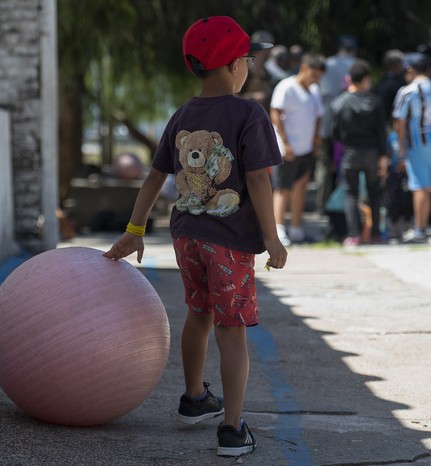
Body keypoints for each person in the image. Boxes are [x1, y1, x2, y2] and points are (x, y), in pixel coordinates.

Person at [102, 16, 287, 458]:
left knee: (198, 313)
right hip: (229, 242)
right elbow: (259, 181)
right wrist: (273, 238)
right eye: (248, 59)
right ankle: (231, 429)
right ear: (231, 65)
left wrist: (135, 229)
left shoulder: (183, 114)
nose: (250, 67)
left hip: (187, 237)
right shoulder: (249, 113)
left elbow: (154, 177)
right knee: (232, 328)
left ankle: (193, 399)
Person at [392, 52, 431, 243]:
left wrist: (401, 145)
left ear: (410, 69)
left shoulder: (407, 92)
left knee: (419, 186)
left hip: (417, 144)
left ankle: (420, 229)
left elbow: (399, 122)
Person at [329, 58, 389, 246]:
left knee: (351, 194)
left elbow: (335, 133)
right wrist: (384, 156)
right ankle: (377, 234)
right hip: (372, 153)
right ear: (365, 79)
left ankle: (353, 234)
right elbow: (382, 131)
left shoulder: (339, 103)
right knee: (375, 193)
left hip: (351, 152)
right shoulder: (375, 102)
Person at [270, 53, 326, 244]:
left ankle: (296, 229)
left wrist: (316, 140)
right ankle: (278, 229)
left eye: (319, 76)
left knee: (300, 186)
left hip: (306, 148)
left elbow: (318, 115)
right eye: (314, 74)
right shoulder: (286, 87)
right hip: (286, 148)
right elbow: (275, 113)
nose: (315, 79)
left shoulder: (314, 90)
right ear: (304, 68)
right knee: (282, 188)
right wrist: (285, 143)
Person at [317, 35, 358, 214]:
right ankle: (346, 209)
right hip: (349, 127)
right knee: (348, 166)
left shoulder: (327, 64)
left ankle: (322, 207)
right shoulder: (356, 65)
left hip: (325, 123)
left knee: (324, 167)